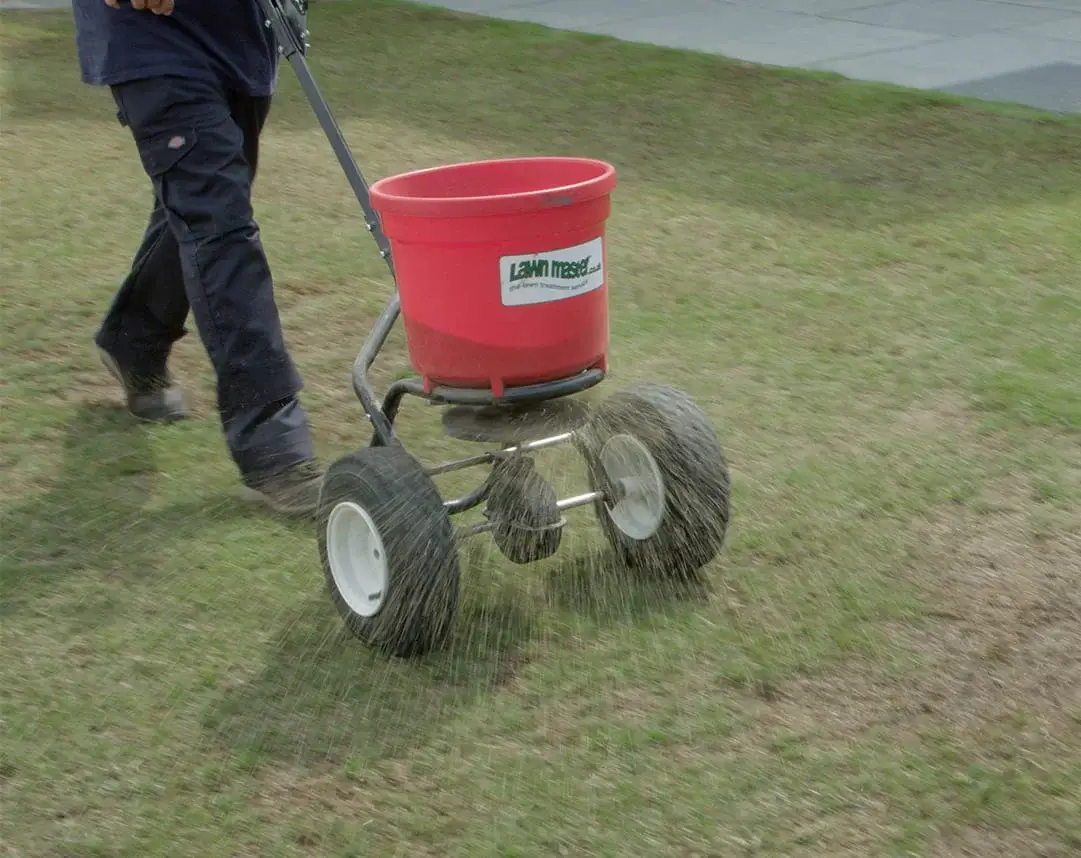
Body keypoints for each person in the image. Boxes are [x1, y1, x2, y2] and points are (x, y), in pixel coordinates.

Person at [71, 0, 323, 516]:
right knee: (220, 226)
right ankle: (275, 448)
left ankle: (134, 342)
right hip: (154, 31)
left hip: (245, 33)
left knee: (206, 204)